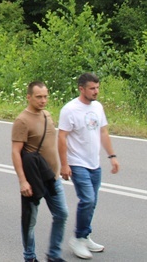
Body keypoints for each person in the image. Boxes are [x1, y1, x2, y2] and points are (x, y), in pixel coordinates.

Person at [58, 73, 119, 260]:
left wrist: (112, 156)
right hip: (77, 163)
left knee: (92, 202)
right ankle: (77, 239)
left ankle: (85, 235)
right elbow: (62, 137)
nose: (96, 91)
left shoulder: (98, 107)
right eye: (92, 88)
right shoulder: (70, 109)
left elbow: (103, 131)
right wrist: (64, 164)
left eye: (97, 88)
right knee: (87, 200)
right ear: (81, 89)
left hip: (95, 163)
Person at [12, 81, 68, 262]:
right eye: (39, 97)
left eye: (45, 96)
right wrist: (23, 181)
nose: (43, 100)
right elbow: (15, 152)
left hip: (52, 177)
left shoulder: (47, 115)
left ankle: (53, 254)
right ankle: (29, 257)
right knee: (30, 221)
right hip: (33, 179)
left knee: (62, 214)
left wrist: (64, 166)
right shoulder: (22, 120)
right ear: (29, 97)